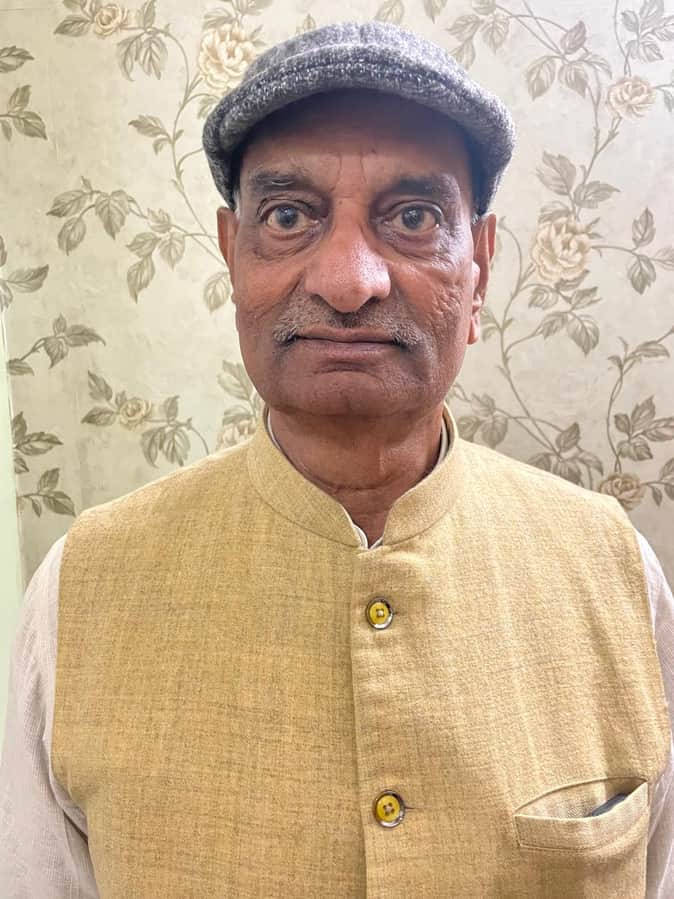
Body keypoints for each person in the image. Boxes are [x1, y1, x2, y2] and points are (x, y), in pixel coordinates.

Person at [0, 20, 672, 898]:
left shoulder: (618, 574)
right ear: (232, 254)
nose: (350, 279)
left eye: (413, 217)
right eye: (288, 216)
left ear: (480, 266)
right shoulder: (79, 590)